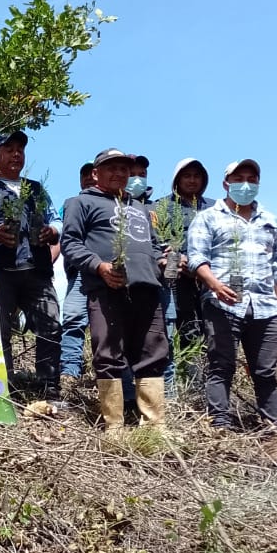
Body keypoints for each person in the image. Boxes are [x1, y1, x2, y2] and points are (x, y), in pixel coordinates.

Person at [60, 149, 169, 433]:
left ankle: (154, 426)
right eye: (112, 168)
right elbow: (70, 244)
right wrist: (99, 267)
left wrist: (162, 262)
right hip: (106, 289)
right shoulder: (80, 202)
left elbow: (155, 245)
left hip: (147, 288)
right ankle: (115, 426)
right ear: (96, 173)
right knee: (108, 354)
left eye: (124, 169)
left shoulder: (141, 208)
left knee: (153, 354)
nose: (119, 173)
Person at [186, 159, 277, 430]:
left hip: (265, 306)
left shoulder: (270, 220)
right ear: (226, 183)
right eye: (239, 179)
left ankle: (273, 425)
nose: (245, 185)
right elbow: (196, 257)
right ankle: (220, 424)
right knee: (221, 366)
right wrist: (214, 284)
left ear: (258, 184)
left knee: (265, 370)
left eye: (251, 179)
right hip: (222, 304)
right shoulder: (208, 217)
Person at [0, 131, 62, 396]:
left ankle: (49, 387)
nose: (16, 154)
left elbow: (55, 218)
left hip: (36, 270)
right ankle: (5, 388)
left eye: (20, 150)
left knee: (50, 325)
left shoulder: (35, 188)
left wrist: (53, 231)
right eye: (9, 149)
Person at [152, 158, 215, 393]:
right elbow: (157, 240)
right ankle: (185, 385)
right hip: (176, 279)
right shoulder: (161, 206)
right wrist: (179, 257)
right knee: (184, 329)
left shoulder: (214, 207)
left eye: (197, 176)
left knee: (211, 332)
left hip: (210, 282)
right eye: (186, 175)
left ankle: (208, 386)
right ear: (177, 179)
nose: (192, 180)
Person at [59, 162, 95, 393]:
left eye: (93, 175)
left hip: (109, 273)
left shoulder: (117, 205)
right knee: (73, 319)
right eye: (86, 176)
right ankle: (69, 372)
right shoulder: (72, 204)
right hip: (81, 272)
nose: (90, 180)